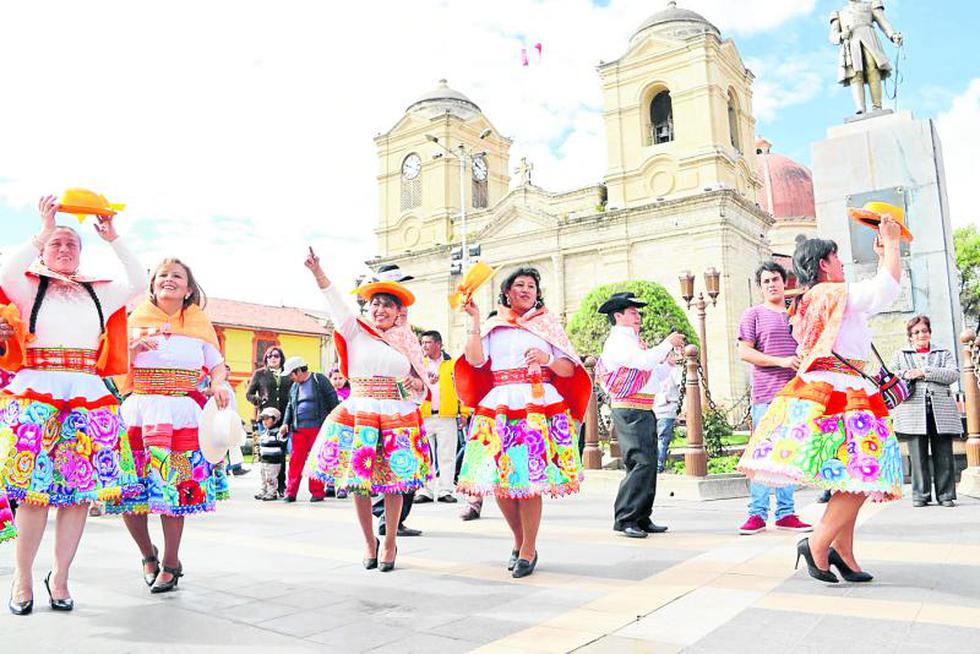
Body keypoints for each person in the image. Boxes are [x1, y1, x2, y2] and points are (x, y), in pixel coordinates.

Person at [739, 215, 905, 584]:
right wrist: (892, 245)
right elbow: (885, 291)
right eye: (836, 258)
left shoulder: (821, 298)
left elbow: (874, 295)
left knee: (855, 476)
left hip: (839, 389)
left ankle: (841, 550)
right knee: (865, 473)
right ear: (822, 264)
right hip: (841, 392)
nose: (842, 264)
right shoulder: (827, 293)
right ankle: (817, 542)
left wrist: (883, 257)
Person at [1, 195, 145, 614]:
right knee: (32, 492)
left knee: (78, 494)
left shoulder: (98, 292)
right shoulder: (28, 285)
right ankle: (23, 576)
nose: (63, 249)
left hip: (88, 393)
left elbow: (138, 281)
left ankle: (61, 576)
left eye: (71, 244)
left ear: (82, 253)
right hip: (36, 392)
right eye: (56, 244)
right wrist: (43, 229)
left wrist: (113, 238)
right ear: (44, 250)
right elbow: (6, 269)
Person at [456, 267, 591, 578]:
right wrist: (474, 322)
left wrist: (547, 360)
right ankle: (519, 541)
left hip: (538, 404)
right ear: (507, 292)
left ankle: (528, 548)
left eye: (532, 285)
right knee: (501, 483)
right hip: (500, 405)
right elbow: (476, 361)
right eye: (520, 285)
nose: (526, 290)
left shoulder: (548, 324)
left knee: (530, 483)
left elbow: (569, 370)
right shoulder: (494, 325)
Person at [303, 254, 432, 572]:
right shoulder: (355, 330)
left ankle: (389, 541)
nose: (380, 310)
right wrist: (319, 271)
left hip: (395, 416)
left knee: (393, 482)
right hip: (359, 412)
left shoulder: (407, 341)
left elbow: (420, 383)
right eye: (375, 304)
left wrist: (415, 382)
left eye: (388, 305)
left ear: (400, 311)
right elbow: (334, 301)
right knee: (358, 482)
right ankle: (368, 541)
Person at [111, 257, 232, 594]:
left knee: (174, 491)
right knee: (130, 493)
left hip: (180, 416)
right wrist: (130, 348)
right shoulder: (134, 319)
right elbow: (110, 363)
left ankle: (171, 562)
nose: (169, 280)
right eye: (162, 275)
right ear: (151, 284)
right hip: (139, 413)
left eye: (177, 276)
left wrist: (219, 384)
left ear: (189, 287)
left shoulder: (198, 321)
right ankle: (147, 554)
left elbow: (217, 366)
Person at [596, 292, 684, 538]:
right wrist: (667, 343)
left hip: (643, 407)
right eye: (633, 312)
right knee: (639, 462)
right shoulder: (618, 341)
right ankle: (626, 518)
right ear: (618, 316)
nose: (638, 316)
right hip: (629, 408)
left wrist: (666, 365)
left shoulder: (635, 341)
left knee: (648, 462)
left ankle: (642, 516)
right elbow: (643, 363)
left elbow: (651, 376)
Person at [737, 262, 813, 536]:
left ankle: (786, 513)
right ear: (761, 286)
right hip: (766, 395)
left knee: (787, 455)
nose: (772, 284)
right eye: (766, 280)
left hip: (797, 395)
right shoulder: (753, 314)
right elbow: (745, 352)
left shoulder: (798, 314)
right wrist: (781, 362)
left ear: (784, 282)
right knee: (761, 455)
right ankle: (756, 514)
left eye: (776, 279)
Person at [891, 315, 962, 508]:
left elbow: (953, 374)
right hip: (913, 410)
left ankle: (946, 495)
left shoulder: (943, 352)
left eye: (924, 331)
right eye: (916, 332)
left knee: (944, 453)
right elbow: (893, 375)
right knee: (917, 455)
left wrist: (924, 372)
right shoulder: (901, 354)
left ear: (930, 332)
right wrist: (907, 374)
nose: (921, 335)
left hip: (941, 409)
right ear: (910, 336)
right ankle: (920, 495)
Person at [279, 355, 338, 502]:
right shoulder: (294, 387)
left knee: (316, 461)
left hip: (318, 428)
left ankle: (317, 492)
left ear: (298, 371)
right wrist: (285, 423)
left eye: (291, 374)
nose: (290, 378)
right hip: (299, 429)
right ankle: (290, 493)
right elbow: (290, 406)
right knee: (295, 461)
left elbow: (333, 400)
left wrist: (334, 423)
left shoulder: (319, 379)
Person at [416, 330, 466, 504]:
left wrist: (464, 412)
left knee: (447, 455)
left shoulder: (452, 364)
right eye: (422, 343)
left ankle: (445, 489)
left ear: (438, 344)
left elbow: (462, 389)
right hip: (424, 415)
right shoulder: (418, 365)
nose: (424, 346)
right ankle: (425, 490)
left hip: (447, 415)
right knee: (424, 454)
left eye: (428, 342)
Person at [247, 346, 291, 494]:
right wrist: (260, 402)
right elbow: (249, 394)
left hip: (284, 418)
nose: (273, 358)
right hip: (267, 419)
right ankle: (266, 486)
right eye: (269, 356)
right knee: (267, 454)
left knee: (281, 453)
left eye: (276, 356)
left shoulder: (288, 374)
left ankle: (281, 486)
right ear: (266, 358)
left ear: (281, 358)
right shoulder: (260, 374)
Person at [654, 353, 683, 474]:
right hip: (667, 409)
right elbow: (683, 386)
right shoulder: (675, 371)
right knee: (663, 439)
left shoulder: (655, 370)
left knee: (656, 439)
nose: (676, 357)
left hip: (656, 408)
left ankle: (655, 465)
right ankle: (658, 465)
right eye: (673, 355)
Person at [254, 407, 287, 501]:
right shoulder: (264, 433)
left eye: (267, 419)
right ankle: (264, 491)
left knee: (271, 478)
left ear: (275, 420)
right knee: (263, 477)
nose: (264, 421)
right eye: (263, 419)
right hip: (264, 461)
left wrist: (283, 433)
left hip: (273, 462)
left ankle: (272, 493)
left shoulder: (277, 433)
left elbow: (283, 438)